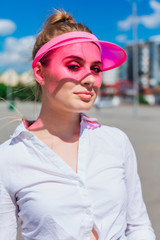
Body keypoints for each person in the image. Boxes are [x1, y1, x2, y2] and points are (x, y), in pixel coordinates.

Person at [0, 9, 156, 240]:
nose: (90, 78)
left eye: (96, 68)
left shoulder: (116, 141)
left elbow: (139, 226)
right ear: (39, 73)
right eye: (74, 66)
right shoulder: (8, 159)